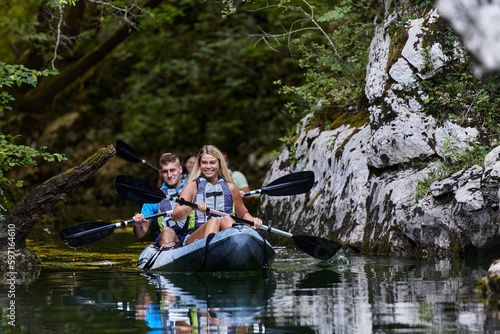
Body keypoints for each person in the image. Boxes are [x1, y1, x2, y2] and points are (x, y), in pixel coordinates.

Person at [172, 145, 262, 245]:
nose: (208, 166)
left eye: (212, 162)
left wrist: (253, 222)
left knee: (227, 219)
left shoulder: (231, 188)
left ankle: (234, 248)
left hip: (225, 233)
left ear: (219, 164)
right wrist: (192, 207)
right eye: (204, 163)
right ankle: (210, 251)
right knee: (213, 221)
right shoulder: (192, 186)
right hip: (195, 237)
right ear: (199, 165)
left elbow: (244, 214)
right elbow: (176, 216)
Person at [133, 153, 190, 249]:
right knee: (167, 230)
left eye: (172, 170)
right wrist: (138, 226)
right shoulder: (153, 197)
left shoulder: (192, 189)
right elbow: (140, 234)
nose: (169, 175)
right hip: (167, 238)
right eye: (165, 171)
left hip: (191, 238)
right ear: (161, 173)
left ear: (180, 170)